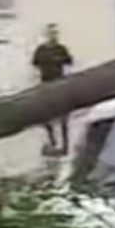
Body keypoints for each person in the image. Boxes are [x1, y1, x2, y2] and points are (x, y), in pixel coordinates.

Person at [31, 24, 74, 156]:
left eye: (55, 33)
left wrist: (62, 59)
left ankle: (65, 145)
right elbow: (35, 63)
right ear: (47, 35)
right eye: (51, 33)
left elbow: (69, 61)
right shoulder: (41, 50)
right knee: (46, 116)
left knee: (63, 116)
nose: (53, 36)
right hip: (46, 83)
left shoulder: (61, 49)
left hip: (59, 83)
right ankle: (52, 140)